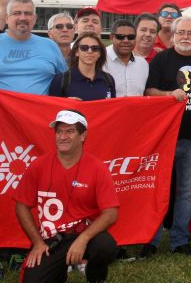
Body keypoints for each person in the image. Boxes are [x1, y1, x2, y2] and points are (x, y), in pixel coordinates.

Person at [13, 110, 118, 283]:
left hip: (84, 232)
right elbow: (21, 205)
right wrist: (37, 242)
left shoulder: (97, 168)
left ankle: (96, 277)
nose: (63, 136)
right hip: (51, 239)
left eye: (69, 131)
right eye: (59, 131)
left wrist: (83, 238)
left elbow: (111, 213)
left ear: (83, 135)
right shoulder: (39, 165)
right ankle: (58, 273)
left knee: (105, 247)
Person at [144, 17, 191, 256]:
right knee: (158, 189)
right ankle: (150, 240)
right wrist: (168, 95)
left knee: (187, 190)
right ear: (172, 35)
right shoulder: (161, 59)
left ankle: (180, 240)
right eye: (181, 32)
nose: (186, 37)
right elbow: (148, 91)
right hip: (166, 136)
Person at [0, 0, 66, 96]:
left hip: (38, 110)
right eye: (16, 13)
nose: (22, 18)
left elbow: (66, 81)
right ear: (6, 18)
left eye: (28, 13)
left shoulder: (50, 46)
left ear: (35, 18)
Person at [48, 33, 115, 101]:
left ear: (99, 54)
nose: (90, 51)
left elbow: (112, 108)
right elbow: (53, 109)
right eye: (84, 48)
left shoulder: (108, 80)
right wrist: (66, 103)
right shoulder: (61, 80)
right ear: (76, 52)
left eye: (95, 48)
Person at [102, 19, 148, 97]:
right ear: (111, 37)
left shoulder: (143, 64)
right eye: (120, 37)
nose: (126, 40)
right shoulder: (100, 60)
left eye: (131, 37)